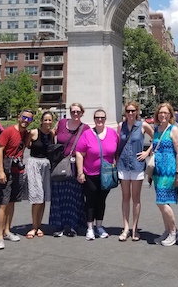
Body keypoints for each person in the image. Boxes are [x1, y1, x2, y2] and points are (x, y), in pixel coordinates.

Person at [76, 109, 118, 241]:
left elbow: (116, 152)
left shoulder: (112, 133)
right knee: (91, 200)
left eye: (102, 117)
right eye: (97, 117)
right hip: (90, 173)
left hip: (106, 174)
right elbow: (79, 153)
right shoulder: (87, 134)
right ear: (94, 119)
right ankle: (89, 228)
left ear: (105, 119)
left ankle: (99, 226)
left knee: (101, 200)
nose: (100, 120)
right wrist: (80, 172)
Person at [0, 109, 33, 250]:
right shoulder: (9, 131)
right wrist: (0, 171)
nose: (26, 121)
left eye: (29, 119)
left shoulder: (25, 134)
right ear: (18, 117)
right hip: (6, 171)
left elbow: (28, 145)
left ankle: (7, 231)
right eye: (24, 118)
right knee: (3, 204)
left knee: (12, 203)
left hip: (18, 171)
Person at [49, 103, 89, 237]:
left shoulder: (85, 128)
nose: (75, 114)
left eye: (78, 112)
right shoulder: (61, 123)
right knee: (59, 196)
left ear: (82, 113)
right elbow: (52, 134)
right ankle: (59, 226)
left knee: (74, 196)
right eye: (73, 112)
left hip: (75, 165)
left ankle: (72, 226)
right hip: (60, 163)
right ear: (69, 112)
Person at [116, 101, 154, 242]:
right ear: (125, 112)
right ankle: (126, 228)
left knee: (136, 198)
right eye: (128, 111)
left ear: (137, 111)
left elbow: (156, 138)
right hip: (123, 165)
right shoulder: (121, 126)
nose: (130, 113)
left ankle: (135, 228)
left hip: (137, 165)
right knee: (125, 197)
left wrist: (147, 152)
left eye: (133, 111)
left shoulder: (143, 125)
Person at [151, 103, 178, 246]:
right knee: (163, 202)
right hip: (158, 170)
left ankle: (174, 232)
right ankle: (167, 230)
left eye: (165, 113)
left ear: (170, 115)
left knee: (161, 202)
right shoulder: (156, 129)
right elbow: (154, 149)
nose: (162, 115)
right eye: (160, 113)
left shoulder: (174, 129)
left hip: (169, 170)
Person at [24, 111, 53, 239]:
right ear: (41, 121)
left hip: (46, 165)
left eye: (49, 120)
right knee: (36, 196)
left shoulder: (52, 134)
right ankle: (33, 226)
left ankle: (39, 225)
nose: (47, 122)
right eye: (45, 120)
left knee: (43, 196)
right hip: (34, 164)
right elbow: (27, 145)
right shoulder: (34, 132)